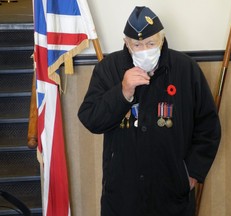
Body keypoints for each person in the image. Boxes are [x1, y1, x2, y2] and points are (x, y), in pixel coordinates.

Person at [78, 6, 221, 216]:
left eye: (151, 43)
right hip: (123, 195)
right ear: (127, 43)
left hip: (172, 193)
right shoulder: (109, 69)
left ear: (161, 40)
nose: (145, 49)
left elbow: (208, 126)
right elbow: (91, 118)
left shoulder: (186, 69)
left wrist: (191, 173)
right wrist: (123, 92)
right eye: (137, 44)